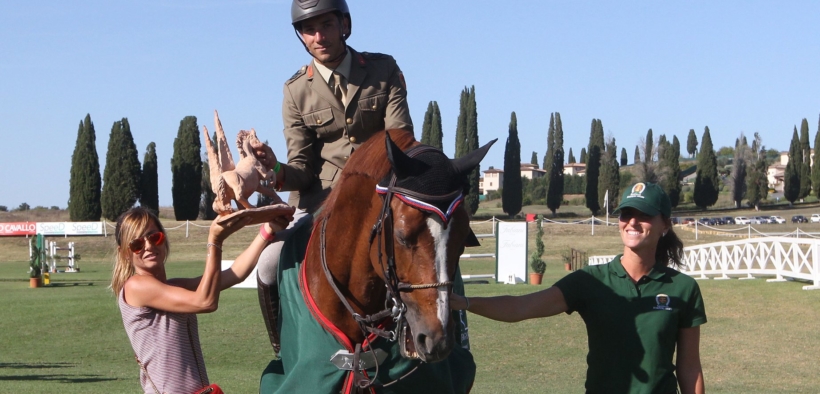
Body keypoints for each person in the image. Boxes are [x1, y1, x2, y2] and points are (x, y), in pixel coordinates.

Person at [254, 0, 415, 352]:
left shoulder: (383, 69)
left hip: (380, 198)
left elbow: (399, 139)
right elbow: (301, 168)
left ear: (344, 25)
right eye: (308, 30)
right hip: (320, 203)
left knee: (431, 244)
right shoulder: (295, 90)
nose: (318, 36)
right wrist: (275, 168)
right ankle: (283, 351)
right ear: (301, 37)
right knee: (267, 264)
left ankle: (451, 338)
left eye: (326, 25)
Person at [451, 182, 707, 394]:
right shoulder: (591, 281)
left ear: (665, 224)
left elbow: (690, 368)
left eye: (644, 215)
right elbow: (522, 307)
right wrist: (466, 302)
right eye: (626, 214)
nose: (632, 222)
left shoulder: (683, 288)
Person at [111, 206, 294, 393]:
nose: (149, 246)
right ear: (125, 253)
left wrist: (267, 231)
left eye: (154, 237)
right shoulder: (136, 286)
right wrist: (215, 241)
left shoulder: (174, 287)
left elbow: (235, 273)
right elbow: (205, 302)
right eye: (137, 244)